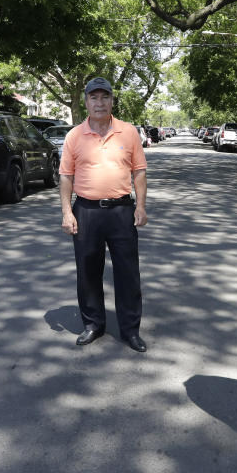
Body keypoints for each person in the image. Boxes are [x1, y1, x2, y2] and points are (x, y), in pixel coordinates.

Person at [59, 77, 149, 353]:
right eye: (94, 98)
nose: (99, 102)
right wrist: (66, 211)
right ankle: (93, 324)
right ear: (86, 102)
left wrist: (141, 206)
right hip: (85, 211)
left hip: (122, 211)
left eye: (104, 97)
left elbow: (139, 171)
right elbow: (66, 176)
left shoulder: (129, 132)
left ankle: (130, 330)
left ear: (112, 100)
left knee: (128, 273)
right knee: (87, 271)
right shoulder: (74, 135)